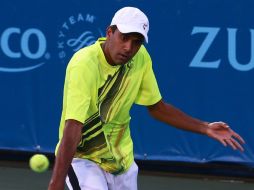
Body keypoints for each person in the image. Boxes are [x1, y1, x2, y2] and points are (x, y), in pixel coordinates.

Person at [48, 6, 245, 190]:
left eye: (136, 42)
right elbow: (73, 126)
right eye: (124, 38)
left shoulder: (141, 58)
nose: (128, 48)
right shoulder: (84, 64)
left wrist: (205, 127)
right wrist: (56, 184)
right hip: (84, 158)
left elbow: (157, 108)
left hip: (121, 160)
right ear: (109, 32)